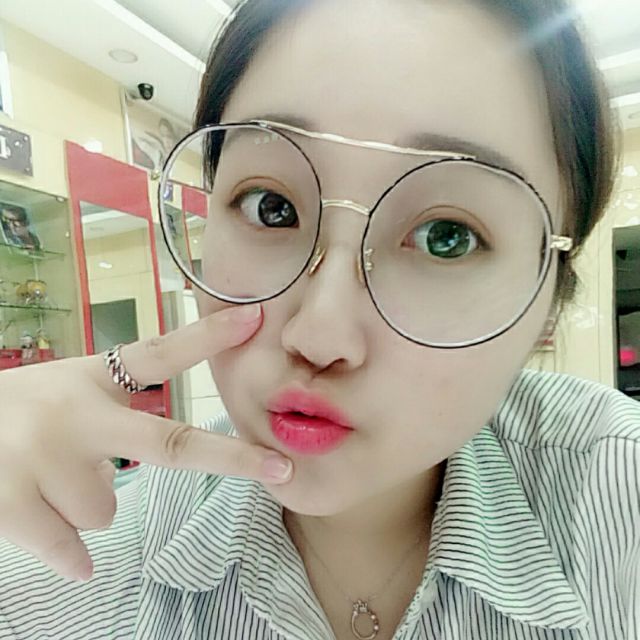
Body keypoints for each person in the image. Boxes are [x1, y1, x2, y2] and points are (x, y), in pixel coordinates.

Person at [0, 0, 638, 639]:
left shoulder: (618, 499)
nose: (318, 336)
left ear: (551, 296)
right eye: (271, 207)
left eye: (447, 237)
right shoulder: (63, 576)